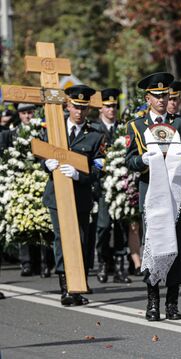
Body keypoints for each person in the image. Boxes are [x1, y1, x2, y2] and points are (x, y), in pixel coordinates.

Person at [125, 72, 181, 321]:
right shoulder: (136, 126)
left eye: (165, 95)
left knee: (176, 244)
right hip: (152, 192)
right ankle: (152, 301)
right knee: (155, 243)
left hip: (176, 192)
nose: (161, 100)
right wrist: (142, 161)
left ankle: (172, 302)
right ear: (148, 98)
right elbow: (129, 160)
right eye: (156, 96)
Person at [42, 85, 106, 306]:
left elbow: (99, 168)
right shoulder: (53, 129)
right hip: (56, 195)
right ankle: (66, 288)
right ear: (67, 105)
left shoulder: (96, 136)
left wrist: (80, 175)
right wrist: (46, 164)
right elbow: (41, 152)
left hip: (80, 196)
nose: (79, 112)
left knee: (80, 240)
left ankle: (78, 285)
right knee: (63, 238)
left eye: (83, 108)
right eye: (75, 107)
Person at [90, 88, 132, 283]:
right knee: (104, 226)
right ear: (100, 108)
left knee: (122, 227)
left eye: (114, 106)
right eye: (107, 106)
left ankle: (120, 267)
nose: (111, 109)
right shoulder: (94, 128)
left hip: (122, 185)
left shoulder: (124, 128)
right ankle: (104, 263)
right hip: (102, 186)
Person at [13, 103, 54, 278]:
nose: (28, 116)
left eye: (30, 112)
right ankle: (27, 263)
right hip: (21, 182)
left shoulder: (43, 130)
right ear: (19, 115)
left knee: (44, 222)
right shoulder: (13, 133)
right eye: (24, 113)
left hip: (41, 178)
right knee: (24, 221)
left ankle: (45, 262)